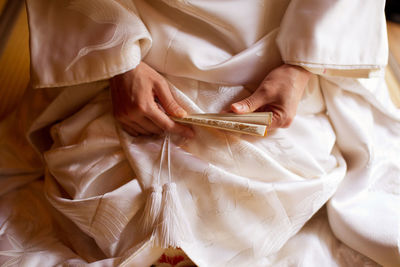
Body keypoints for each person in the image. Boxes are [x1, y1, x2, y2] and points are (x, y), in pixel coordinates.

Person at [0, 0, 399, 266]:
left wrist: (301, 68)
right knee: (108, 200)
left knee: (281, 202)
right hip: (142, 50)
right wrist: (120, 62)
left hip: (276, 56)